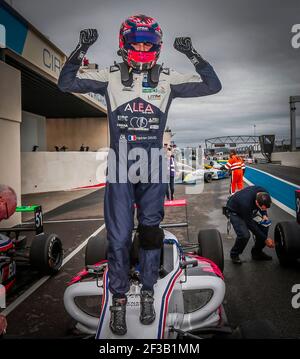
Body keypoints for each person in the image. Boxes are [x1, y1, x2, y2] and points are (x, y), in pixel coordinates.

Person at [58, 14, 221, 336]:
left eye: (148, 43)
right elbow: (66, 84)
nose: (143, 48)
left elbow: (212, 85)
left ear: (157, 47)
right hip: (121, 163)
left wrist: (194, 54)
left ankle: (148, 291)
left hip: (152, 164)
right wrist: (80, 49)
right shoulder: (108, 76)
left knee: (150, 233)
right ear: (125, 45)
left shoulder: (169, 78)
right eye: (137, 43)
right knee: (118, 238)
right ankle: (118, 298)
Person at [226, 185, 275, 264]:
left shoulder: (264, 193)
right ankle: (234, 254)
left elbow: (263, 206)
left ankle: (257, 253)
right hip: (235, 212)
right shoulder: (245, 203)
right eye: (262, 208)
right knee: (244, 235)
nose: (264, 210)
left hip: (249, 210)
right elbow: (250, 224)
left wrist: (264, 214)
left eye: (265, 208)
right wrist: (265, 239)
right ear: (256, 202)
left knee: (264, 226)